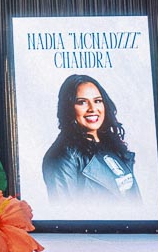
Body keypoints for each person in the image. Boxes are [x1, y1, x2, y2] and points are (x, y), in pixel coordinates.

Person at [41, 74, 140, 205]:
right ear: (68, 108)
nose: (93, 109)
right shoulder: (61, 157)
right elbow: (64, 215)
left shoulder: (110, 144)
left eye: (98, 101)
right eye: (82, 102)